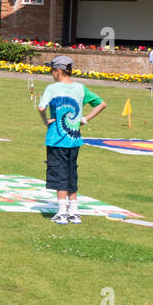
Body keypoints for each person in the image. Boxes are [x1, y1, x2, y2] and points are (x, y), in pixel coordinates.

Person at [36, 55, 106, 224]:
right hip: (74, 139)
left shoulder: (52, 88)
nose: (51, 74)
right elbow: (101, 104)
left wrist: (45, 120)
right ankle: (74, 211)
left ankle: (61, 212)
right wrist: (85, 118)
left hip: (56, 139)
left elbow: (41, 107)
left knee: (58, 173)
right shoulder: (81, 88)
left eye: (52, 70)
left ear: (58, 71)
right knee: (71, 173)